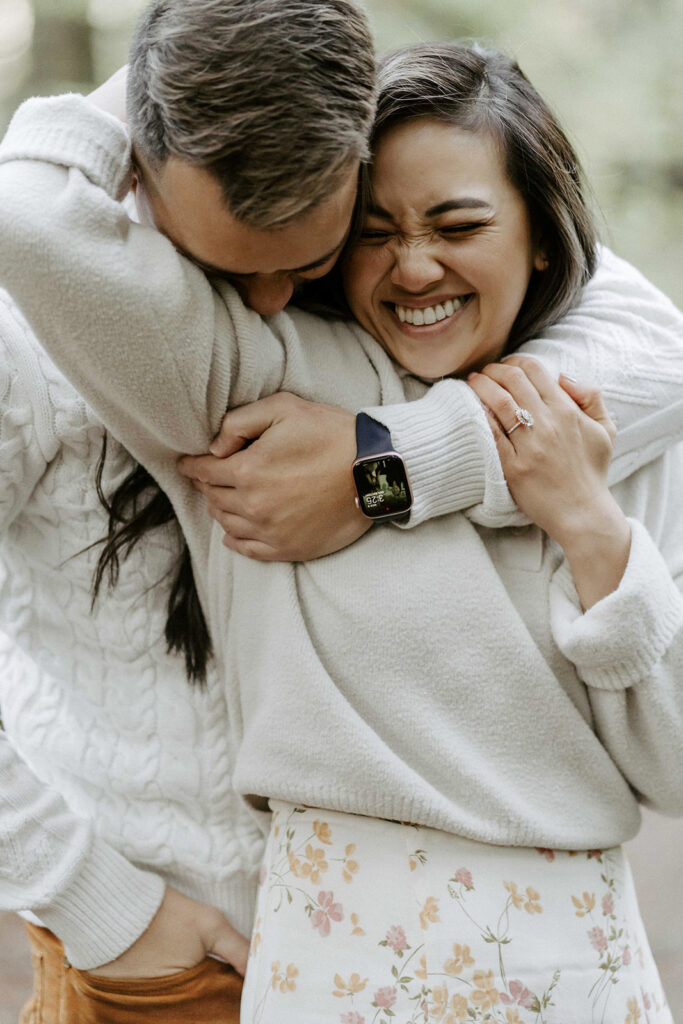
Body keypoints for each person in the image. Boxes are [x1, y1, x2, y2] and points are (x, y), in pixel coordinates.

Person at [0, 31, 682, 1024]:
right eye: (370, 232)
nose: (412, 267)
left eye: (455, 222)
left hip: (572, 958)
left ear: (540, 231)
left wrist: (509, 500)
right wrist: (95, 899)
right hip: (262, 951)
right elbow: (28, 219)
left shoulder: (597, 424)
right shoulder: (257, 372)